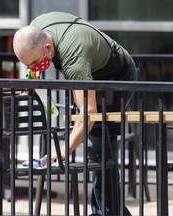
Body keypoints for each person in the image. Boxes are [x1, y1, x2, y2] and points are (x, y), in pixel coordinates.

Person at [13, 11, 137, 216]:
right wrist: (31, 74)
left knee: (100, 143)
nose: (33, 69)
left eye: (35, 64)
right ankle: (111, 211)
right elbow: (35, 59)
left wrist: (60, 153)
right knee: (97, 144)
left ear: (47, 48)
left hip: (117, 75)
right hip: (91, 72)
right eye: (27, 65)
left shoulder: (75, 60)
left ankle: (107, 212)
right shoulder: (37, 30)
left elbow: (88, 114)